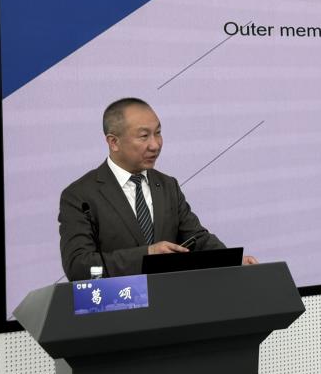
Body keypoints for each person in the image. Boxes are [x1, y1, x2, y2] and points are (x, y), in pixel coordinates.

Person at [58, 97, 256, 278]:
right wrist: (147, 254)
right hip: (118, 302)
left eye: (158, 133)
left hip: (171, 301)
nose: (155, 145)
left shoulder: (168, 185)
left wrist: (232, 261)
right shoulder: (80, 195)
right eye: (144, 136)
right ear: (114, 142)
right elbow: (78, 265)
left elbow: (197, 239)